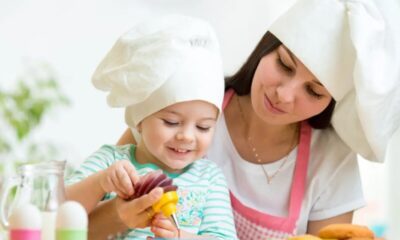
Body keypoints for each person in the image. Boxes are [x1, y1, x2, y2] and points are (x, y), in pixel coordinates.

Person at [88, 0, 397, 238]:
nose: (284, 95)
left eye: (314, 91)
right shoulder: (188, 105)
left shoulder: (332, 160)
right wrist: (121, 213)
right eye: (284, 65)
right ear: (266, 48)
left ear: (332, 101)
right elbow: (78, 230)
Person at [65, 15, 237, 239]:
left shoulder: (209, 178)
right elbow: (60, 212)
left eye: (203, 127)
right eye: (171, 122)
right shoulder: (111, 163)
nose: (186, 136)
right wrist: (100, 182)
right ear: (139, 119)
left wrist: (180, 236)